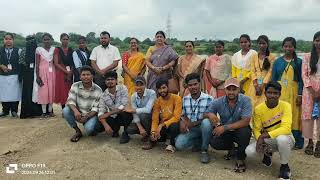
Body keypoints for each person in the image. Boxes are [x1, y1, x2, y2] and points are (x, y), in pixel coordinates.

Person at [246, 81, 294, 180]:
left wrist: (263, 136)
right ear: (265, 94)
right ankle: (267, 153)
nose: (272, 95)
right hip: (269, 140)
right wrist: (259, 139)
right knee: (249, 151)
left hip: (286, 138)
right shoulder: (259, 109)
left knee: (281, 139)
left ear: (279, 94)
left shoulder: (286, 106)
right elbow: (256, 129)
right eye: (269, 92)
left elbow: (286, 128)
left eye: (275, 93)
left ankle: (285, 167)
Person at [205, 78, 252, 173]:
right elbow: (206, 113)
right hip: (226, 131)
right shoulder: (218, 101)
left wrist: (224, 127)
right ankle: (232, 149)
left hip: (239, 129)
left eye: (234, 89)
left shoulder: (246, 100)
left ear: (238, 90)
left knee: (245, 132)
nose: (231, 92)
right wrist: (211, 115)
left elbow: (246, 121)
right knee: (214, 142)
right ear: (224, 90)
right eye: (228, 89)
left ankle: (240, 159)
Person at [272, 37, 304, 149]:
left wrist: (300, 94)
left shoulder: (299, 62)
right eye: (286, 46)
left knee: (295, 116)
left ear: (294, 47)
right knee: (280, 114)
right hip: (280, 94)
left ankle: (297, 141)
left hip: (294, 93)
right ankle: (279, 140)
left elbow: (301, 80)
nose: (288, 48)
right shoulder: (277, 62)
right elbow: (273, 80)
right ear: (282, 47)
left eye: (290, 46)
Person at [175, 73, 214, 163]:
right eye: (190, 85)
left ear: (199, 84)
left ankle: (204, 150)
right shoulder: (185, 99)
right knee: (179, 144)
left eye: (195, 84)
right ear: (187, 86)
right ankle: (199, 141)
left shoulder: (209, 99)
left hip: (204, 127)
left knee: (206, 123)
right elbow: (183, 115)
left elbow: (211, 117)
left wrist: (194, 123)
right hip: (191, 129)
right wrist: (182, 121)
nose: (193, 87)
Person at [63, 66, 102, 142]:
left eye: (88, 74)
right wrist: (76, 111)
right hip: (78, 113)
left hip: (90, 115)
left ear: (92, 76)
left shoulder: (98, 90)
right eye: (83, 75)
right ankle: (77, 131)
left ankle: (95, 127)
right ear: (80, 77)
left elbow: (96, 108)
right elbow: (70, 100)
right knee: (65, 111)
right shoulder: (75, 85)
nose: (86, 77)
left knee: (89, 130)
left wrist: (86, 117)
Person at [142, 79, 182, 152]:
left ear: (168, 87)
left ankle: (172, 144)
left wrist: (162, 125)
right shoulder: (158, 101)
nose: (162, 90)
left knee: (175, 125)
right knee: (147, 118)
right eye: (159, 89)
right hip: (163, 126)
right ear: (157, 90)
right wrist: (153, 131)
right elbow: (155, 119)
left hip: (172, 125)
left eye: (164, 88)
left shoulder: (177, 98)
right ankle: (153, 140)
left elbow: (177, 117)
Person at [97, 71, 133, 144]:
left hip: (123, 114)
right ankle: (115, 130)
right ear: (105, 81)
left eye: (112, 79)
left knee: (125, 113)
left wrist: (108, 113)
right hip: (114, 117)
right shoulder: (103, 95)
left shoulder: (123, 88)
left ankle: (126, 133)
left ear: (116, 80)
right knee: (103, 118)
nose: (110, 81)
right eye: (108, 80)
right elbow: (101, 111)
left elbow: (123, 105)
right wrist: (105, 125)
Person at [301, 31, 320, 157]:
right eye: (317, 40)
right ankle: (309, 142)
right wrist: (313, 91)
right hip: (309, 91)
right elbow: (304, 74)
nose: (319, 43)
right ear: (313, 41)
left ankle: (319, 143)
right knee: (308, 117)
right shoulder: (307, 56)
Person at [124, 76, 157, 141]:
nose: (139, 87)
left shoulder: (151, 93)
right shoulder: (133, 96)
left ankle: (151, 135)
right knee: (130, 129)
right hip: (142, 120)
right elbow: (135, 114)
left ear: (145, 85)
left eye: (141, 85)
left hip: (153, 119)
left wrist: (133, 110)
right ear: (134, 86)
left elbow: (148, 110)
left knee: (143, 115)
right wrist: (140, 128)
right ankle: (144, 133)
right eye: (137, 85)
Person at [248, 35, 276, 107]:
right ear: (257, 44)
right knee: (252, 105)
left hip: (266, 86)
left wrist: (262, 86)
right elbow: (252, 71)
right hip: (254, 86)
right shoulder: (253, 56)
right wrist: (256, 86)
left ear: (267, 44)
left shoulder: (272, 57)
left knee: (263, 106)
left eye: (264, 43)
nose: (261, 45)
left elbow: (270, 72)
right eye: (260, 43)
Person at [33, 33, 55, 118]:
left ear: (51, 40)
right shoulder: (39, 50)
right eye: (44, 39)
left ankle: (50, 111)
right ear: (42, 40)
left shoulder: (54, 49)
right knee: (43, 92)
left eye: (48, 39)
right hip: (42, 73)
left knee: (51, 91)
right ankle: (44, 112)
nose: (46, 41)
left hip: (52, 73)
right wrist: (38, 76)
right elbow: (37, 64)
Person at [19, 35, 42, 118]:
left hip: (36, 74)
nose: (31, 42)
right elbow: (21, 64)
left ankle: (37, 112)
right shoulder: (23, 51)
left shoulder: (38, 50)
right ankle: (27, 113)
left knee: (36, 92)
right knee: (27, 93)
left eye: (32, 40)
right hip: (27, 75)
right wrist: (20, 76)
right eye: (29, 40)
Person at [0, 33, 22, 118]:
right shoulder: (0, 50)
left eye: (10, 39)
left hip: (14, 75)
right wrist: (0, 65)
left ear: (13, 40)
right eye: (6, 39)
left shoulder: (18, 51)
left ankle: (14, 110)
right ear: (4, 40)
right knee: (4, 93)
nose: (8, 41)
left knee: (14, 93)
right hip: (3, 75)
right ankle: (5, 111)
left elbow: (21, 64)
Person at [54, 33, 74, 109]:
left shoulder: (71, 50)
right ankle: (63, 109)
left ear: (68, 40)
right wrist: (66, 72)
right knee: (62, 90)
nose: (65, 41)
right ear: (60, 40)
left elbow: (73, 63)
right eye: (63, 39)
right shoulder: (57, 49)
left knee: (70, 90)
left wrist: (70, 73)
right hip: (61, 72)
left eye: (66, 39)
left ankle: (70, 108)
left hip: (70, 72)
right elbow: (56, 63)